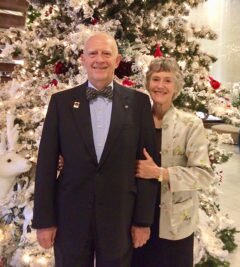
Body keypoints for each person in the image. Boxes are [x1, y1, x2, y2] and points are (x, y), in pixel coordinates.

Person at [32, 32, 157, 267]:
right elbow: (47, 165)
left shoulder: (139, 103)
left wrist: (143, 221)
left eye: (106, 53)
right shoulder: (61, 103)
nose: (99, 59)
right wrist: (44, 221)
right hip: (71, 214)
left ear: (117, 60)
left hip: (120, 215)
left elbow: (146, 165)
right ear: (83, 59)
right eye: (93, 53)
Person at [131, 57, 214, 267]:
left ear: (176, 86)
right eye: (155, 79)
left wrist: (159, 173)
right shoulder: (134, 122)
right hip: (138, 218)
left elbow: (203, 174)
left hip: (175, 222)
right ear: (148, 83)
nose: (160, 85)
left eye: (167, 80)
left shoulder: (190, 124)